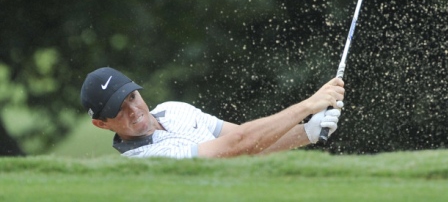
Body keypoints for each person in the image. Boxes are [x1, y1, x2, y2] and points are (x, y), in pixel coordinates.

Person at [80, 67, 344, 159]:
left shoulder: (174, 109)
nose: (133, 110)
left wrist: (307, 132)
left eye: (132, 97)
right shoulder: (146, 161)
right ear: (101, 124)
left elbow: (253, 147)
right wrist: (308, 106)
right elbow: (239, 143)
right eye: (119, 109)